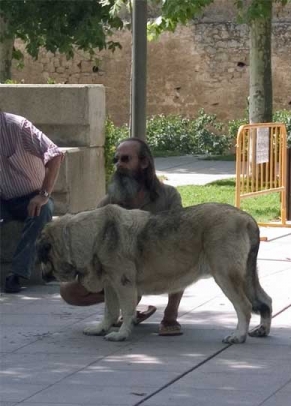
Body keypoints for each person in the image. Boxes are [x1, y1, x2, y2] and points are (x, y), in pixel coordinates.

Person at [59, 137, 186, 336]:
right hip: (120, 270)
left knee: (181, 255)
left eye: (125, 159)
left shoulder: (169, 196)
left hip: (156, 265)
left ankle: (170, 315)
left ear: (144, 163)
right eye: (116, 160)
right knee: (69, 291)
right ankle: (127, 303)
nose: (119, 165)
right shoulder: (109, 202)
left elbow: (179, 236)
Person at [1, 111, 64, 294]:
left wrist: (44, 194)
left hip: (33, 196)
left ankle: (16, 274)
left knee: (40, 213)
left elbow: (55, 154)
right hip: (3, 199)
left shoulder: (18, 126)